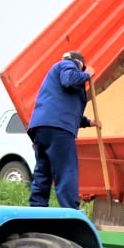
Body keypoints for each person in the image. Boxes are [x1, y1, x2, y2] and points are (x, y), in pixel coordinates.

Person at [27, 51, 92, 210]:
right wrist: (87, 74)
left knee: (43, 171)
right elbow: (69, 80)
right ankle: (70, 212)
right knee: (66, 169)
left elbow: (63, 108)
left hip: (41, 127)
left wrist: (89, 122)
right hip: (58, 129)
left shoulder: (54, 74)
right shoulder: (67, 65)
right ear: (79, 63)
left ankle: (37, 209)